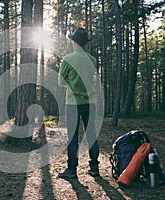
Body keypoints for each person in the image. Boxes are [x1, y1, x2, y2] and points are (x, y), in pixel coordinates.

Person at [58, 27, 100, 179]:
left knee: (73, 136)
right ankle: (94, 167)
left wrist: (71, 81)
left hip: (73, 104)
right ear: (86, 44)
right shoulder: (93, 60)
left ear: (74, 42)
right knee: (91, 134)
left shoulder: (68, 59)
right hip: (90, 102)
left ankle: (71, 170)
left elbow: (61, 81)